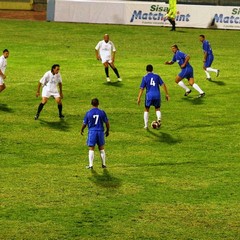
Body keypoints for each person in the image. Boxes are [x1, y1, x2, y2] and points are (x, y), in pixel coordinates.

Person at [137, 64, 170, 129]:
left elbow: (142, 88)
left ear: (146, 70)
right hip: (157, 95)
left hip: (149, 95)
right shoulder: (157, 76)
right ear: (152, 70)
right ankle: (159, 119)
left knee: (146, 109)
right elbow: (163, 85)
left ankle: (146, 125)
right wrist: (167, 94)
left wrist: (139, 98)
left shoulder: (145, 77)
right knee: (157, 108)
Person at [81, 98, 110, 169]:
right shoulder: (102, 112)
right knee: (101, 148)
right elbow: (107, 122)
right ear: (98, 104)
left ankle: (91, 165)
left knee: (91, 148)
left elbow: (85, 123)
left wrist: (82, 129)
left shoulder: (88, 113)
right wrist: (107, 130)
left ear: (91, 104)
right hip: (100, 131)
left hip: (92, 132)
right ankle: (103, 164)